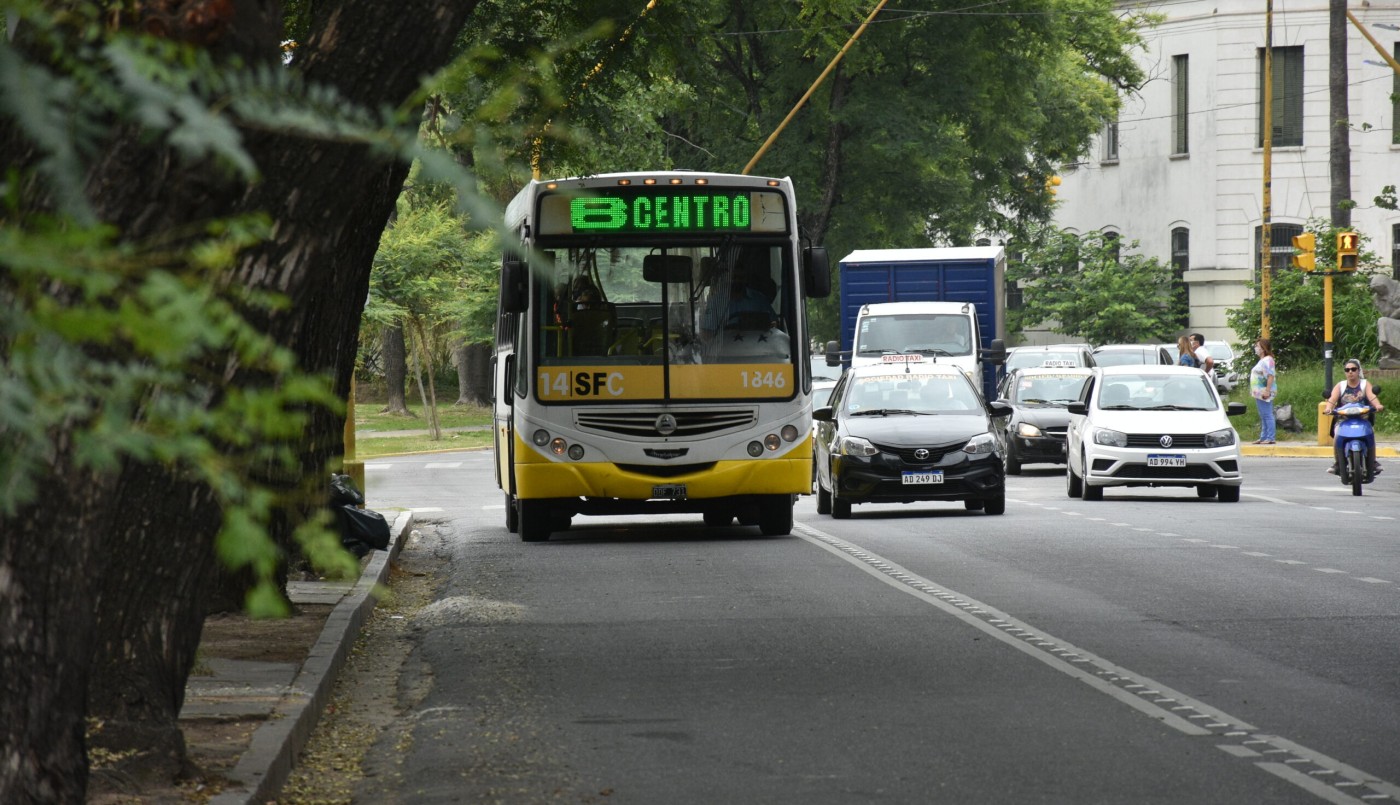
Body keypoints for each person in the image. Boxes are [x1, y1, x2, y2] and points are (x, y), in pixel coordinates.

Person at [1323, 359, 1384, 476]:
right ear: (1345, 372)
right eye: (1347, 370)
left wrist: (1377, 405)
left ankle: (1373, 461)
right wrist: (1328, 408)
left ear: (1358, 371)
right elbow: (1332, 400)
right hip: (1343, 420)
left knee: (1370, 435)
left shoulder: (1365, 384)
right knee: (1337, 436)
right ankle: (1337, 463)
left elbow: (1372, 397)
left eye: (1353, 369)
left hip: (1363, 419)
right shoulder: (1340, 386)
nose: (1350, 372)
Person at [1249, 338, 1277, 444]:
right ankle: (1263, 436)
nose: (1256, 348)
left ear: (1263, 348)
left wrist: (1267, 390)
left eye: (1257, 346)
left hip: (1264, 391)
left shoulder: (1268, 360)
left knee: (1267, 414)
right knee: (1263, 414)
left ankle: (1270, 437)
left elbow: (1270, 376)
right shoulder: (1262, 360)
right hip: (1259, 392)